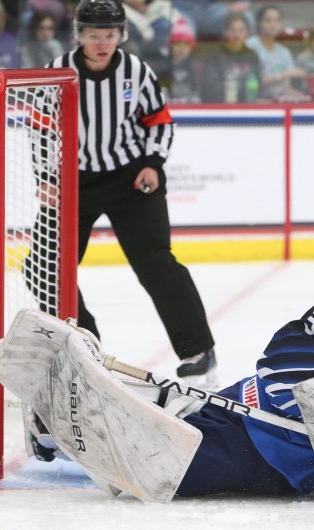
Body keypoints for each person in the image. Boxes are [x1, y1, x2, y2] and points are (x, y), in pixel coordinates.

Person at [21, 224, 314, 498]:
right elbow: (279, 368)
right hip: (257, 439)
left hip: (302, 477)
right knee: (156, 467)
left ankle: (151, 404)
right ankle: (53, 424)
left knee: (172, 425)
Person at [43, 0, 217, 386]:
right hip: (75, 182)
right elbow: (42, 127)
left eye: (109, 35)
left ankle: (198, 351)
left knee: (156, 262)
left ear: (121, 34)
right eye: (93, 35)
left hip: (130, 177)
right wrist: (46, 176)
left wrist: (152, 164)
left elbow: (160, 123)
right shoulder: (57, 72)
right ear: (78, 35)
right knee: (46, 266)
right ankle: (85, 346)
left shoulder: (136, 71)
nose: (102, 43)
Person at [245, 5, 303, 101]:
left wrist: (296, 95)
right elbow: (249, 82)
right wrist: (281, 75)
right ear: (258, 23)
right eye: (268, 20)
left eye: (277, 21)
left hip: (279, 102)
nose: (273, 25)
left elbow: (286, 86)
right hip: (255, 101)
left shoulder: (285, 52)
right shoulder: (249, 46)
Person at [201, 11, 261, 103]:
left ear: (247, 32)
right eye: (232, 30)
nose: (237, 35)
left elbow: (256, 84)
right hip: (220, 106)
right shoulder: (214, 56)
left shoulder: (252, 55)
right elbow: (210, 88)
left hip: (247, 106)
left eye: (241, 30)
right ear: (224, 31)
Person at [166, 17, 203, 103]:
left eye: (185, 44)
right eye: (177, 43)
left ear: (191, 47)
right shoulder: (164, 67)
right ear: (171, 45)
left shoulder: (197, 68)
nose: (181, 48)